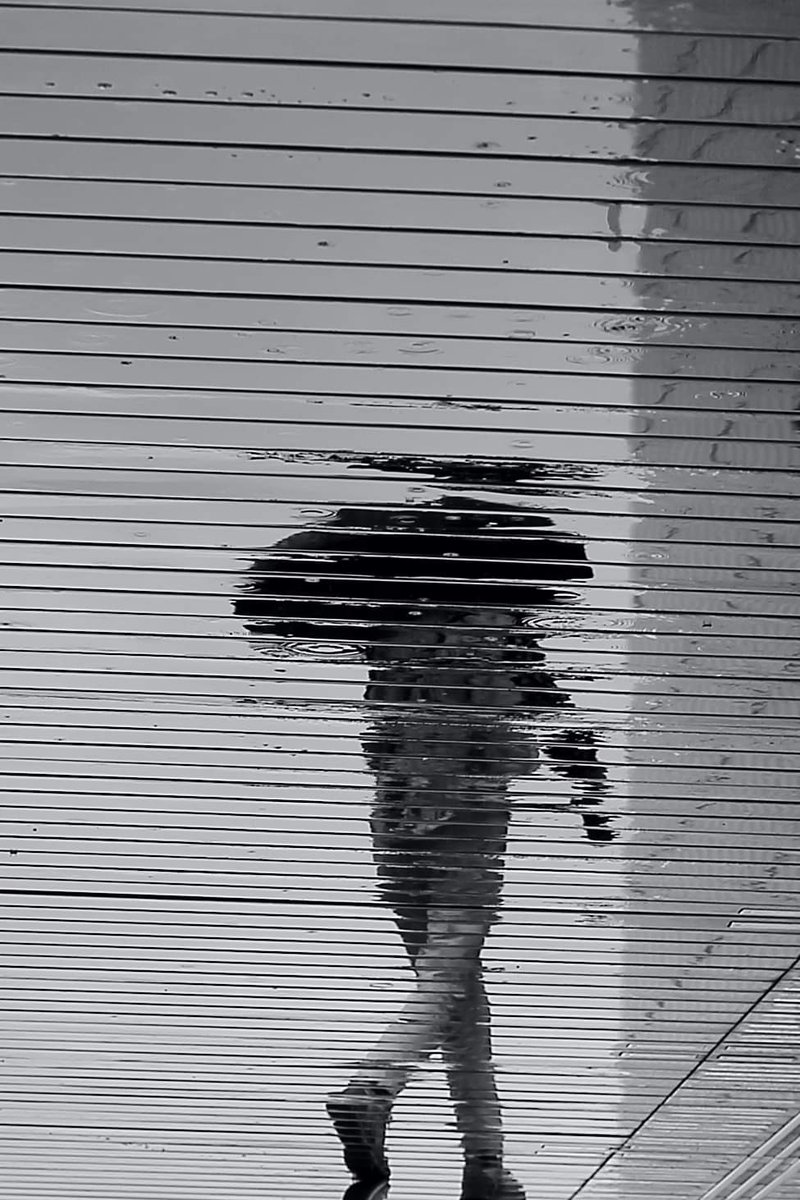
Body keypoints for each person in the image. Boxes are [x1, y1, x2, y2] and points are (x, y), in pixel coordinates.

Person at [234, 458, 615, 1199]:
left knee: (456, 990)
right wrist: (590, 795)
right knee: (447, 976)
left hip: (392, 823)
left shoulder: (385, 634)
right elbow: (558, 716)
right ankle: (372, 1089)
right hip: (468, 821)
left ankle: (486, 1161)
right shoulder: (497, 633)